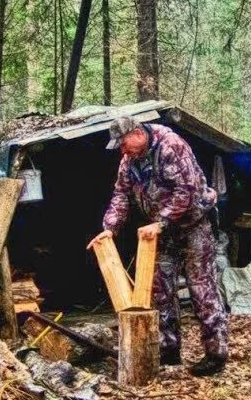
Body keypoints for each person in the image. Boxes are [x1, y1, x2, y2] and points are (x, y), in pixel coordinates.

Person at [87, 116, 229, 377]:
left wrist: (160, 222)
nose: (122, 149)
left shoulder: (170, 145)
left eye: (124, 142)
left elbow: (185, 191)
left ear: (138, 133)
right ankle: (168, 350)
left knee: (201, 288)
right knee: (160, 289)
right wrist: (110, 227)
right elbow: (121, 195)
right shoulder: (129, 161)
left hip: (194, 225)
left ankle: (215, 354)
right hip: (162, 230)